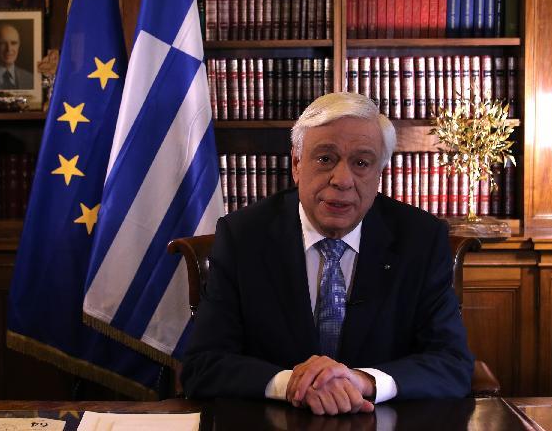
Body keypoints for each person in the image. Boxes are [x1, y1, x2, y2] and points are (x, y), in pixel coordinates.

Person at [181, 92, 474, 415]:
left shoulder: (420, 238)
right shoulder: (243, 236)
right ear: (296, 164)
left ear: (379, 174)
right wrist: (292, 384)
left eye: (361, 163)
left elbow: (452, 363)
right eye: (325, 159)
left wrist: (363, 381)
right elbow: (203, 365)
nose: (342, 180)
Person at [0, 23, 33, 90]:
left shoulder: (30, 79)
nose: (9, 49)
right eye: (3, 43)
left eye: (13, 43)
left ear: (19, 45)